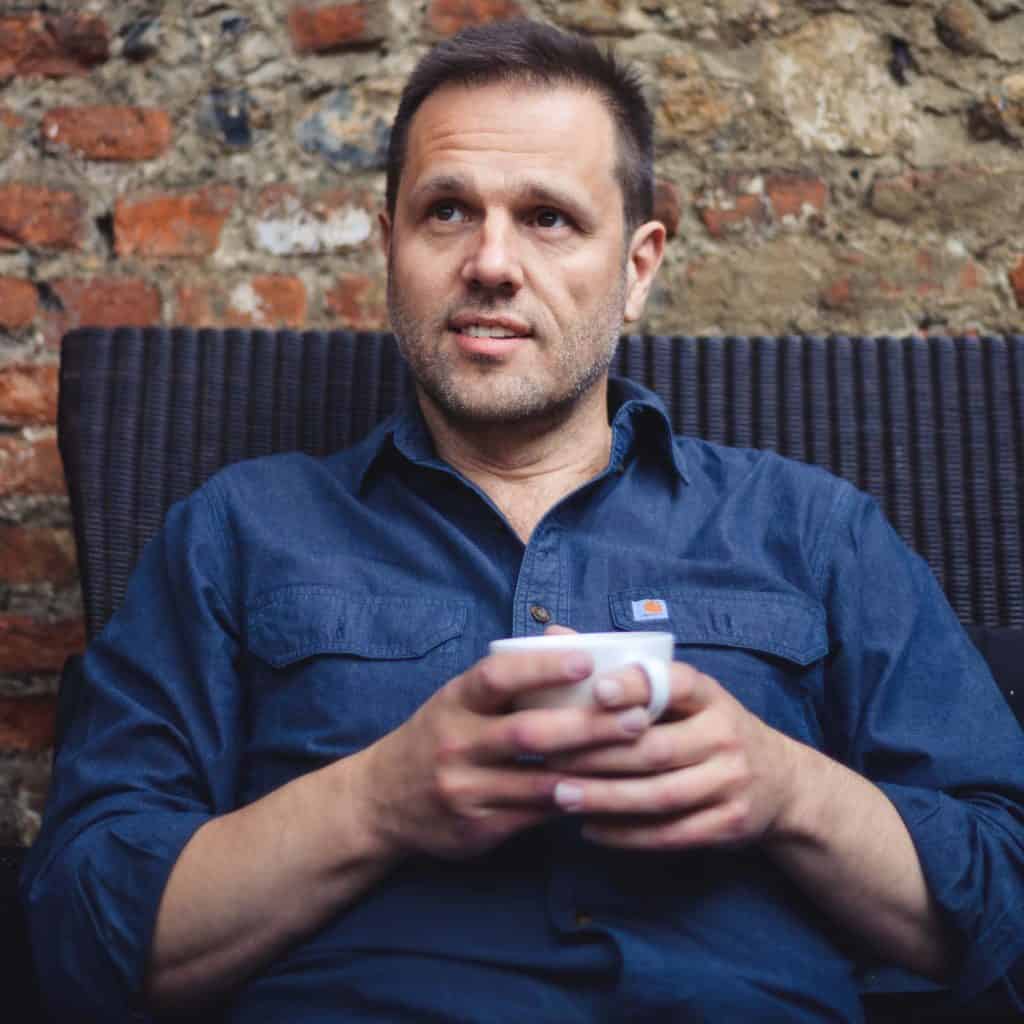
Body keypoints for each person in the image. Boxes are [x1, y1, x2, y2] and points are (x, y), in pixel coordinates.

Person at [22, 19, 1024, 1023]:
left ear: (637, 268)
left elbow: (1004, 897)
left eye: (548, 217)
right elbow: (81, 934)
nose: (491, 262)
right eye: (447, 211)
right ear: (389, 248)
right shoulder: (238, 533)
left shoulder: (809, 530)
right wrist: (377, 802)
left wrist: (786, 790)